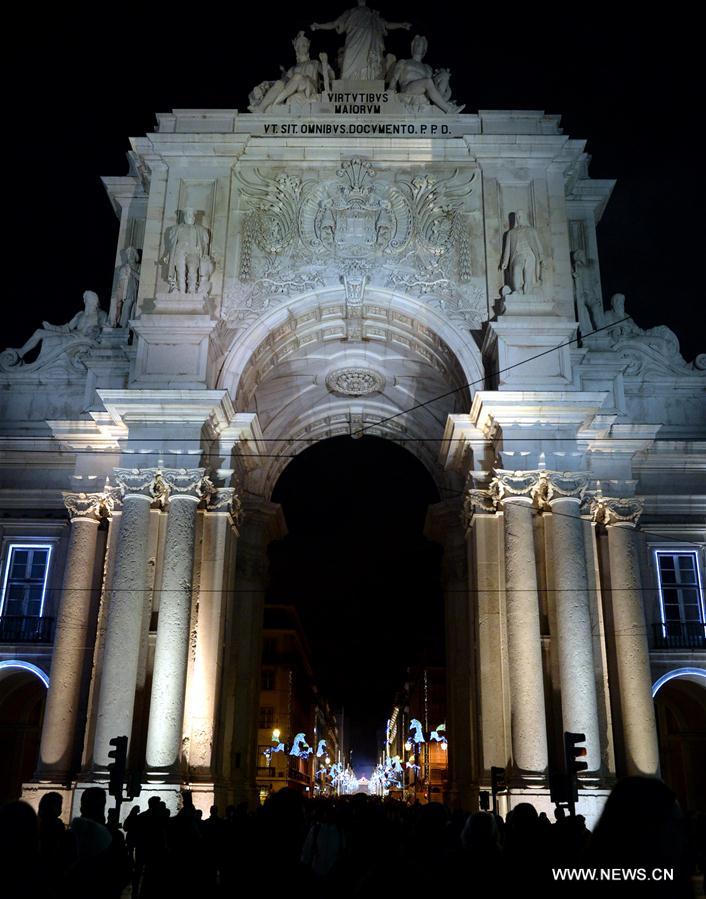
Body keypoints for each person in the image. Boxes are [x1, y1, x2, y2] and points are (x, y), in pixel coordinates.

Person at [311, 0, 411, 81]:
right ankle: (347, 86)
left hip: (369, 44)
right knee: (346, 69)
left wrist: (401, 25)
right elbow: (334, 24)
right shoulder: (349, 12)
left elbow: (386, 24)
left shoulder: (373, 14)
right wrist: (319, 26)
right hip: (353, 43)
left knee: (368, 68)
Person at [249, 31, 333, 112]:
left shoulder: (315, 62)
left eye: (305, 44)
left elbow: (332, 76)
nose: (304, 46)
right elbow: (285, 82)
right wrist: (266, 85)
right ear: (296, 48)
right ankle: (261, 108)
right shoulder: (292, 68)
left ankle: (274, 104)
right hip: (297, 88)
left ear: (308, 45)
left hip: (310, 88)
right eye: (301, 44)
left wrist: (325, 63)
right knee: (279, 83)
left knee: (297, 76)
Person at [387, 35, 464, 113]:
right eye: (416, 43)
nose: (418, 45)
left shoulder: (428, 68)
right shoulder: (404, 62)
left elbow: (434, 88)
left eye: (421, 44)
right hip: (407, 89)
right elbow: (394, 77)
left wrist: (444, 76)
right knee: (428, 82)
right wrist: (390, 91)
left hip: (423, 93)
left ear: (424, 49)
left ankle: (442, 104)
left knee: (440, 77)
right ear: (412, 46)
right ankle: (449, 109)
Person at [163, 207, 211, 294]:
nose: (190, 216)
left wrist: (205, 254)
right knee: (180, 272)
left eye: (191, 214)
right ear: (184, 216)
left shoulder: (201, 229)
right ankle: (181, 291)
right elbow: (172, 244)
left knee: (192, 272)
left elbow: (205, 244)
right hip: (179, 251)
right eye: (188, 214)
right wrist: (168, 255)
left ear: (194, 217)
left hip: (194, 252)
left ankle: (191, 291)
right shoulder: (176, 228)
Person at [500, 210, 544, 294]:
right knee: (516, 268)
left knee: (528, 273)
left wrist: (541, 255)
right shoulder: (511, 233)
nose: (519, 218)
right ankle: (517, 290)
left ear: (524, 217)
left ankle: (528, 293)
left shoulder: (531, 230)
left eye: (520, 216)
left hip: (530, 254)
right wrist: (505, 261)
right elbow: (507, 249)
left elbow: (538, 244)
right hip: (517, 254)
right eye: (517, 217)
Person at [112, 246, 141, 327]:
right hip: (123, 291)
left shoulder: (138, 267)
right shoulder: (123, 267)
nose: (129, 256)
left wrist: (131, 271)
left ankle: (124, 327)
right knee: (121, 308)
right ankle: (120, 326)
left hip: (132, 291)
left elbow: (141, 278)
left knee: (128, 307)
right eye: (128, 254)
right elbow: (120, 281)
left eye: (131, 254)